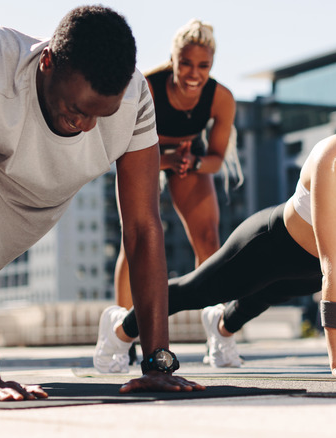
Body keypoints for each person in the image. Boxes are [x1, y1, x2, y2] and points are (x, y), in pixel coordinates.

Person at [94, 86, 336, 376]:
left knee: (258, 301)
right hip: (269, 245)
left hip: (310, 274)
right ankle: (119, 329)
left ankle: (221, 327)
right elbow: (335, 264)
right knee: (198, 290)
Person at [0, 5, 203, 402]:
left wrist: (158, 364)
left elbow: (143, 228)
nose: (87, 125)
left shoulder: (134, 97)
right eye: (77, 109)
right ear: (48, 62)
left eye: (99, 115)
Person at [114, 18, 241, 311]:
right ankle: (122, 333)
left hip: (189, 156)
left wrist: (192, 162)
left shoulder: (221, 98)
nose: (194, 74)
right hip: (142, 151)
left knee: (209, 238)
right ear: (172, 59)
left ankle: (215, 330)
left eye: (203, 66)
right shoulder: (147, 86)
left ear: (211, 65)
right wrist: (166, 158)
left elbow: (216, 161)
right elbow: (123, 146)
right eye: (185, 63)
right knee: (133, 239)